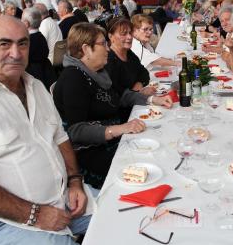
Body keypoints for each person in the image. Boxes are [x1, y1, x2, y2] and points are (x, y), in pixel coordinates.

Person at [0, 15, 93, 244]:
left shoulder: (36, 86)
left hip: (61, 199)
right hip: (1, 221)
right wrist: (36, 214)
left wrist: (74, 181)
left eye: (22, 43)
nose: (16, 52)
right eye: (5, 44)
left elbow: (60, 139)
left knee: (124, 209)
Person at [53, 23, 172, 188]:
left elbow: (120, 96)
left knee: (160, 140)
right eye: (103, 44)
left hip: (115, 139)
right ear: (86, 49)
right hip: (92, 152)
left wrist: (151, 100)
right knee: (152, 161)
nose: (108, 49)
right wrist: (120, 129)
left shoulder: (97, 72)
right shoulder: (73, 78)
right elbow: (76, 131)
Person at [105, 17, 155, 101]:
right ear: (111, 36)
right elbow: (117, 95)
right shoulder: (109, 61)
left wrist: (139, 84)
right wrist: (135, 92)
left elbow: (144, 73)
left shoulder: (129, 53)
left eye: (130, 33)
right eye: (123, 34)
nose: (129, 37)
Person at [21, 7, 56, 89]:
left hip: (34, 79)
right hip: (47, 75)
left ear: (26, 24)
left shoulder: (28, 42)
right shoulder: (40, 37)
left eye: (21, 19)